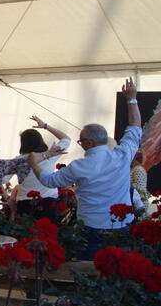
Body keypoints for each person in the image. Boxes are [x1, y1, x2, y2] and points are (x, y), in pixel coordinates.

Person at [29, 78, 142, 260]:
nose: (80, 145)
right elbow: (135, 127)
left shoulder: (79, 166)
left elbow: (49, 180)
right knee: (119, 274)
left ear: (89, 142)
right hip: (121, 226)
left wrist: (34, 164)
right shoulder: (122, 155)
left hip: (91, 227)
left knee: (89, 274)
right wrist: (132, 99)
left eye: (81, 142)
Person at [12, 116, 71, 222]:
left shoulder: (18, 160)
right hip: (48, 202)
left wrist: (8, 198)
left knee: (25, 236)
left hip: (24, 203)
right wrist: (45, 126)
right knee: (46, 235)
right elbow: (66, 139)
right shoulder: (51, 155)